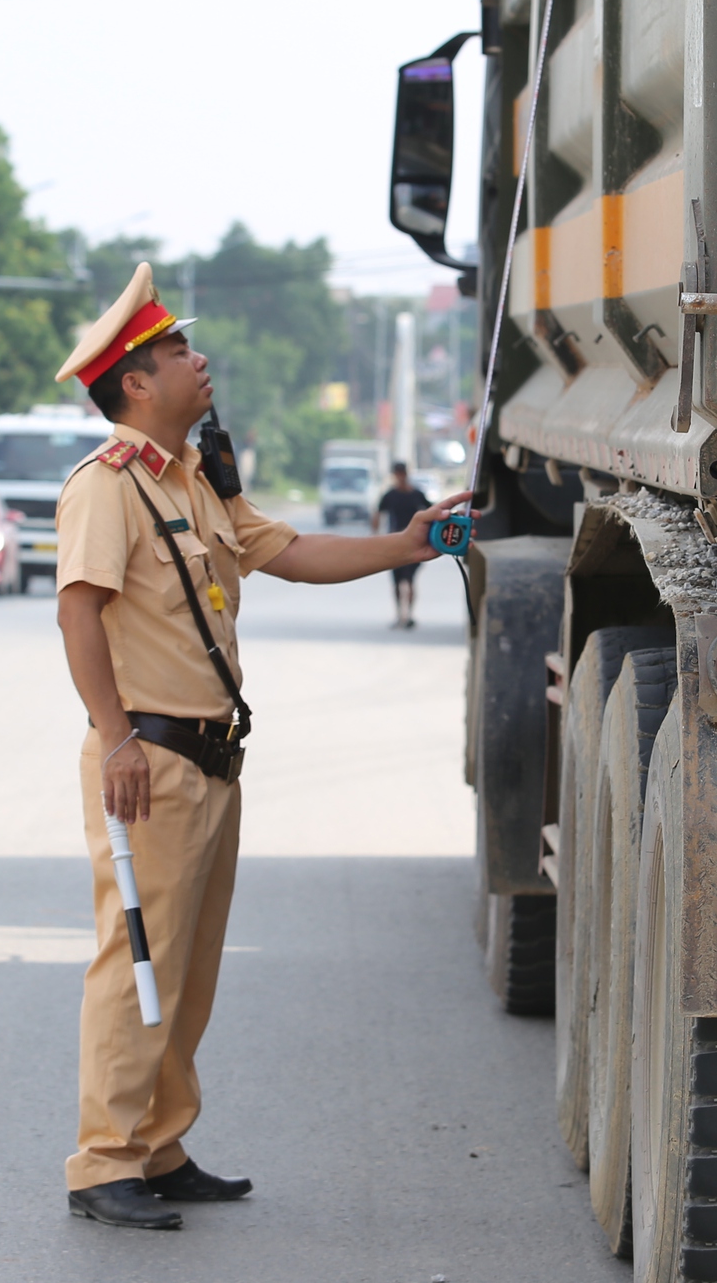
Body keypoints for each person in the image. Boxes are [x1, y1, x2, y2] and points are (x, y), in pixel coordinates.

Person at [51, 263, 468, 1233]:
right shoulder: (106, 487)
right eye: (176, 353)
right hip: (146, 759)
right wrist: (113, 740)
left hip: (210, 758)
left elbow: (288, 554)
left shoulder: (193, 481)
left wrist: (408, 546)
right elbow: (78, 614)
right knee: (137, 957)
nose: (199, 362)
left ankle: (158, 1146)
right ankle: (101, 1161)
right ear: (136, 384)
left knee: (190, 964)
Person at [374, 461, 432, 629]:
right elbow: (378, 514)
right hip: (395, 542)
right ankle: (400, 614)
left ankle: (409, 615)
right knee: (398, 583)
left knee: (410, 581)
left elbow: (431, 513)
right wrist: (376, 537)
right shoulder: (390, 495)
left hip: (414, 543)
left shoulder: (417, 494)